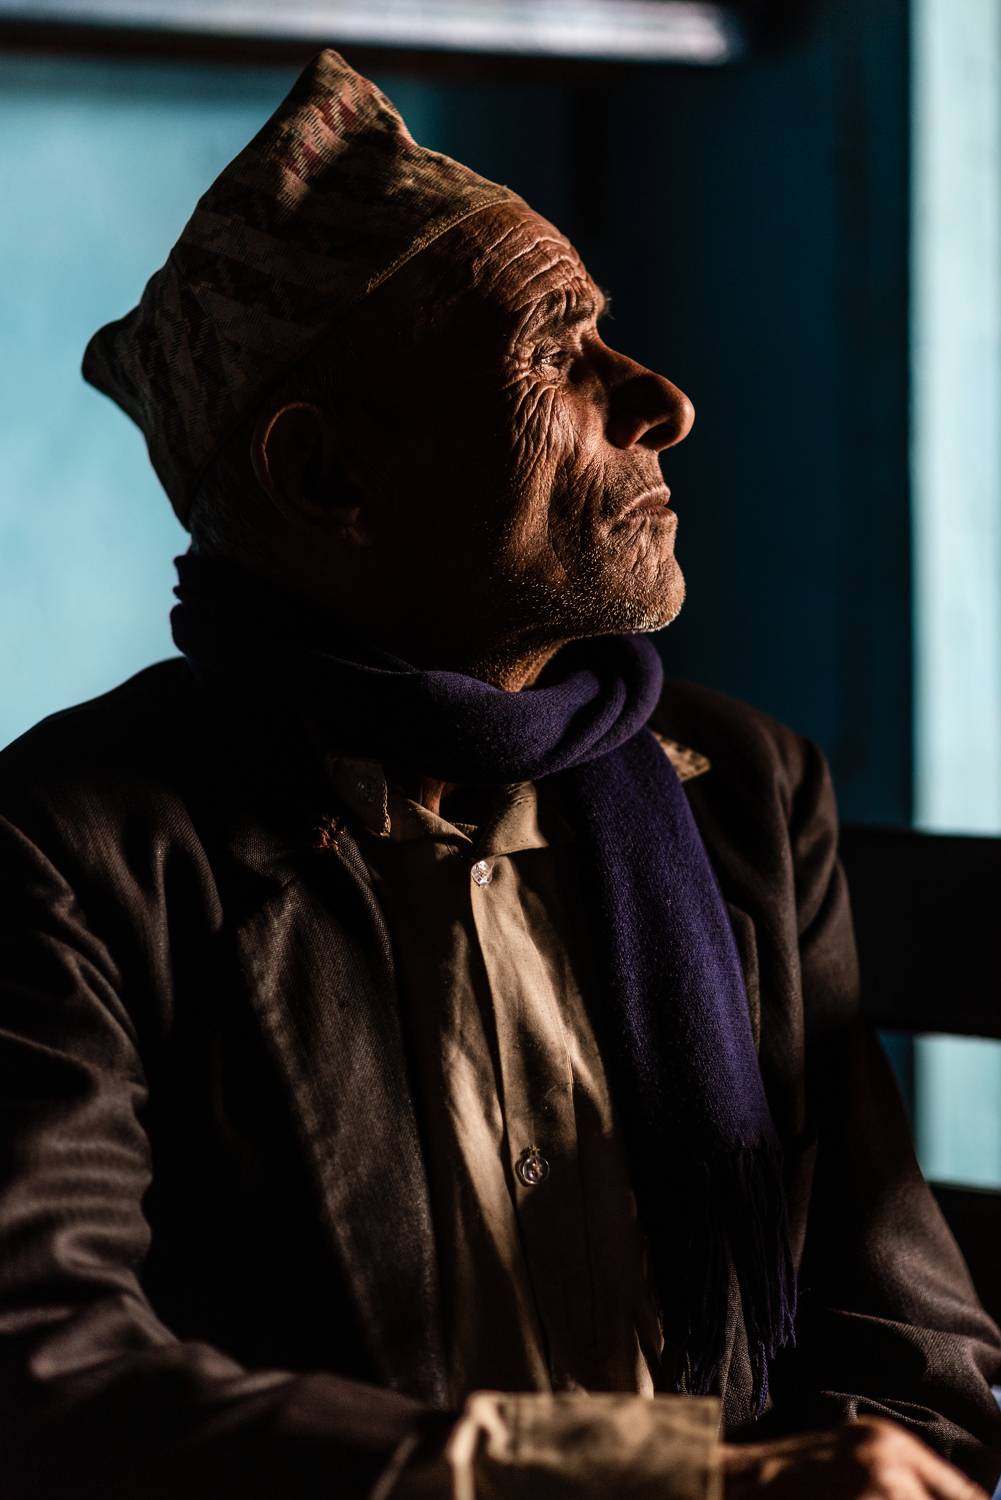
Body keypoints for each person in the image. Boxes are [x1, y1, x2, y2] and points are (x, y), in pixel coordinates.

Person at [0, 48, 998, 1500]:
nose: (660, 401)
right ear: (327, 478)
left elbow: (907, 1339)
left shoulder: (742, 791)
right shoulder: (71, 850)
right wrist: (656, 1477)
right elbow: (49, 1378)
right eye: (553, 351)